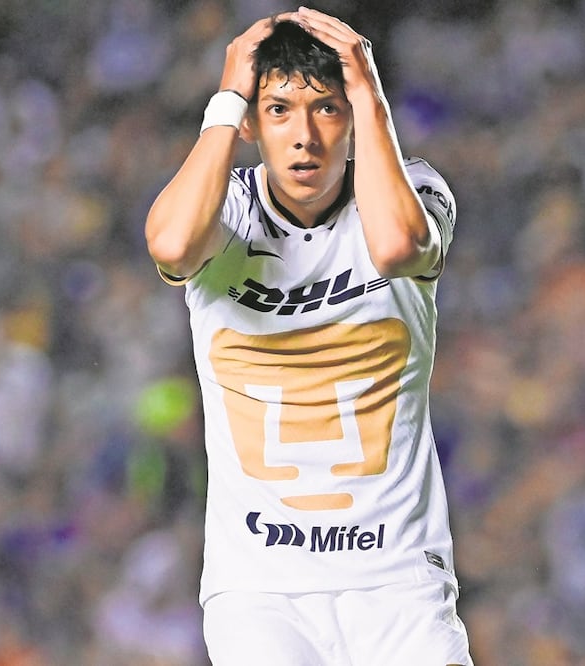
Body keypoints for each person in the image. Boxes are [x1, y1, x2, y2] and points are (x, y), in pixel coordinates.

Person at [145, 7, 471, 665]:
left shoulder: (416, 189)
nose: (304, 137)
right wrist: (226, 98)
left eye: (326, 108)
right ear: (250, 124)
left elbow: (396, 247)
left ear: (352, 118)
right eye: (278, 110)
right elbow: (172, 246)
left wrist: (368, 93)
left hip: (397, 583)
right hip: (260, 590)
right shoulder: (226, 209)